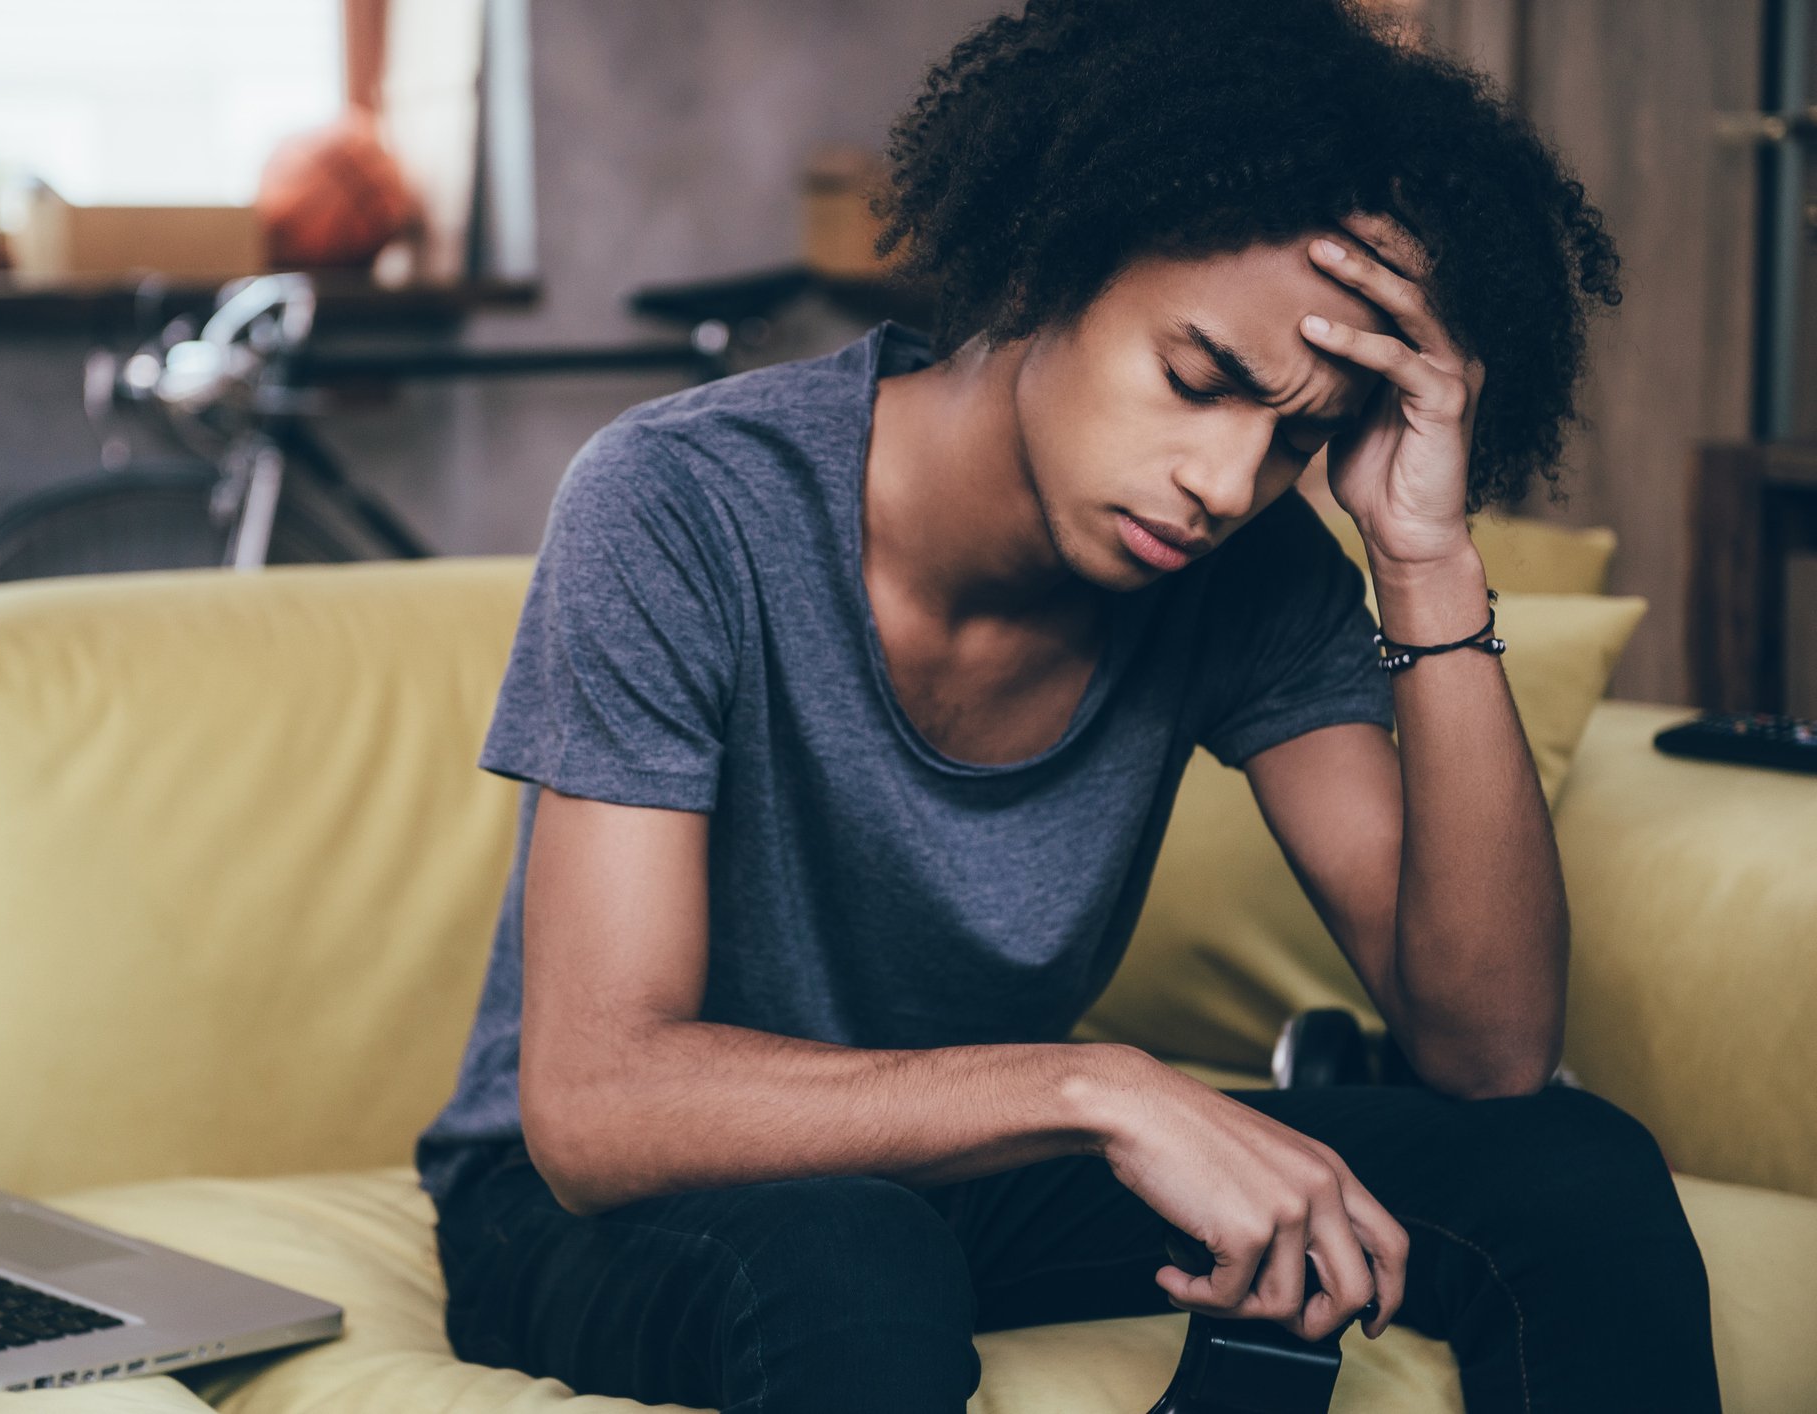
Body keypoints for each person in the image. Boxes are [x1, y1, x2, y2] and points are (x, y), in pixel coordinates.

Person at [415, 1, 1720, 1410]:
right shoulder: (682, 502)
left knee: (1573, 1172)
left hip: (966, 1168)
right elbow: (601, 1106)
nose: (1226, 483)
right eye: (1197, 379)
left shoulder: (1252, 578)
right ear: (1047, 264)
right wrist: (1108, 1091)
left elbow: (1490, 1050)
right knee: (849, 1256)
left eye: (1296, 437)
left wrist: (1424, 556)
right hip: (602, 1207)